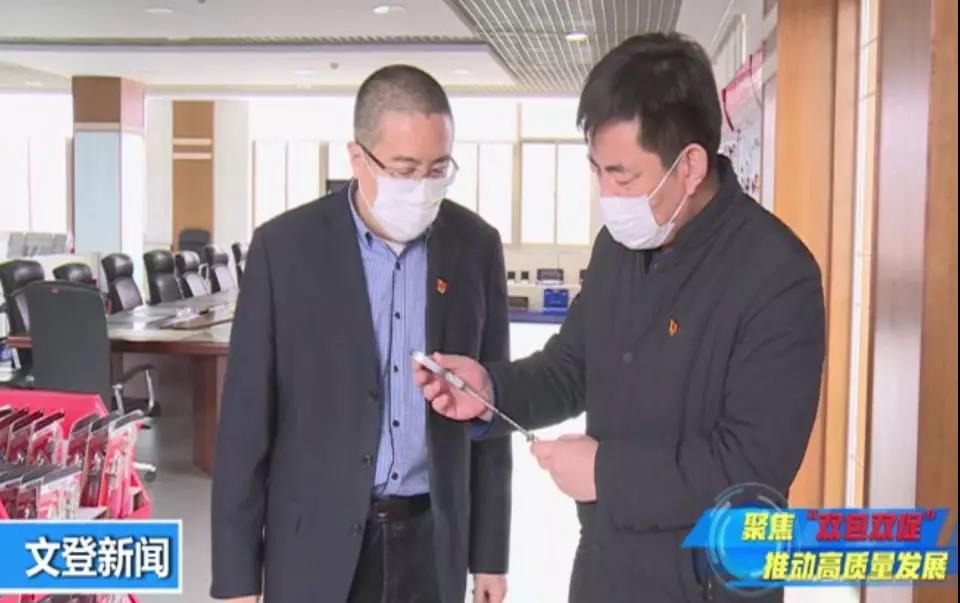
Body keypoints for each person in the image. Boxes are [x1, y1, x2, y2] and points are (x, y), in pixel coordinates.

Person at [416, 33, 825, 603]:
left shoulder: (778, 276)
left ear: (690, 165)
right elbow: (571, 367)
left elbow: (753, 468)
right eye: (598, 171)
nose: (607, 194)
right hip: (604, 571)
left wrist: (605, 473)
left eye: (623, 176)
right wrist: (491, 391)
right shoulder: (620, 245)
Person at [211, 65, 512, 603]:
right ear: (358, 158)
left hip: (431, 539)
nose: (422, 187)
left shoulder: (475, 246)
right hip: (314, 544)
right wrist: (237, 579)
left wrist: (490, 555)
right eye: (404, 169)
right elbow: (244, 424)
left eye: (438, 169)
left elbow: (491, 411)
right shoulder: (285, 249)